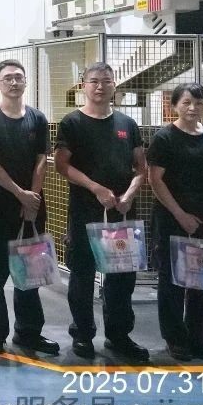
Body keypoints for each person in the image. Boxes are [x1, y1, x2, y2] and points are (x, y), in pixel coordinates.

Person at [55, 61, 150, 363]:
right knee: (82, 275)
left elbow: (141, 168)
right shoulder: (72, 123)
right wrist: (95, 188)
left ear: (114, 85)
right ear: (83, 85)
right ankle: (82, 334)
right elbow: (62, 165)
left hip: (122, 213)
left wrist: (129, 195)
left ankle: (119, 335)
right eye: (94, 81)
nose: (100, 86)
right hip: (85, 212)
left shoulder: (127, 125)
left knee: (122, 276)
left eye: (106, 81)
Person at [0, 59, 59, 356]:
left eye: (19, 77)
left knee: (30, 271)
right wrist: (19, 193)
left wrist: (32, 198)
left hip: (32, 208)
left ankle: (28, 333)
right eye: (8, 78)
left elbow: (41, 160)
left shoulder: (37, 119)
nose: (14, 82)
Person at [147, 83, 203, 363]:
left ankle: (199, 338)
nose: (193, 107)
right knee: (172, 281)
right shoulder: (164, 138)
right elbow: (155, 180)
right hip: (173, 220)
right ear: (174, 106)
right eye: (186, 102)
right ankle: (175, 339)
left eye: (198, 102)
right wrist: (180, 215)